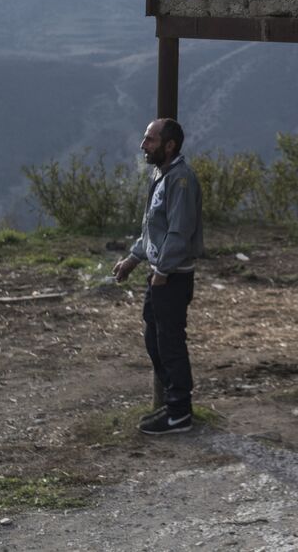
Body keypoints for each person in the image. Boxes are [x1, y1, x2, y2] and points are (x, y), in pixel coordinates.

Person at [113, 118, 204, 436]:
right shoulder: (162, 176)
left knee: (170, 343)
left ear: (170, 145)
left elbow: (179, 232)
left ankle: (180, 413)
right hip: (159, 274)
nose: (143, 145)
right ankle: (173, 402)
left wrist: (163, 270)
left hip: (173, 277)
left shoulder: (180, 180)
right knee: (155, 339)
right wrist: (133, 259)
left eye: (150, 140)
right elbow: (153, 229)